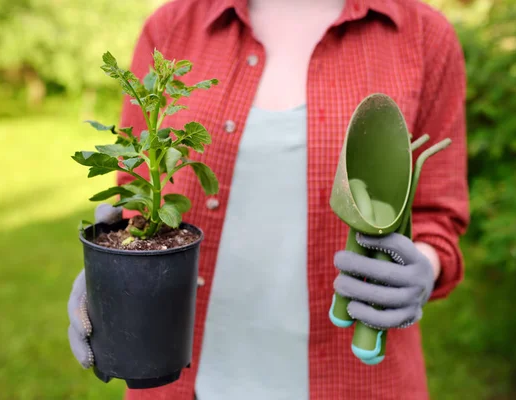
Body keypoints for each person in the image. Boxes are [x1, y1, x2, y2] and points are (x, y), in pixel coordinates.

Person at [67, 0, 470, 398]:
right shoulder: (175, 25)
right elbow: (136, 197)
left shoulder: (422, 34)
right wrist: (112, 274)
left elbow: (439, 214)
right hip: (185, 383)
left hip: (357, 382)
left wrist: (424, 268)